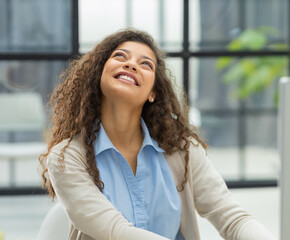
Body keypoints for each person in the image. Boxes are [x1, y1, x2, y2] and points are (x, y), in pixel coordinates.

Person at [39, 28, 276, 240]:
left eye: (146, 64)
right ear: (98, 75)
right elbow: (115, 232)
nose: (131, 64)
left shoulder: (181, 151)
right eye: (120, 56)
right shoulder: (66, 157)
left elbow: (231, 217)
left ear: (153, 92)